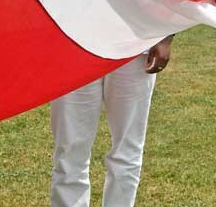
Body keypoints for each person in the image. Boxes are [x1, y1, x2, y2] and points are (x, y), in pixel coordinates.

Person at [50, 35, 174, 207]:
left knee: (127, 151)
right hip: (73, 42)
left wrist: (165, 38)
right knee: (69, 151)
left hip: (136, 42)